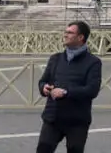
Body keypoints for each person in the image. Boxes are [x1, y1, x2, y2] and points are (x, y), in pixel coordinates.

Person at [37, 21, 103, 153]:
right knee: (43, 148)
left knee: (75, 150)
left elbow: (92, 90)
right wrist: (44, 88)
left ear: (81, 37)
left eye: (70, 32)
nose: (65, 35)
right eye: (65, 32)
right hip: (53, 117)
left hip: (77, 119)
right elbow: (43, 81)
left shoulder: (93, 62)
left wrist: (66, 92)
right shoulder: (55, 58)